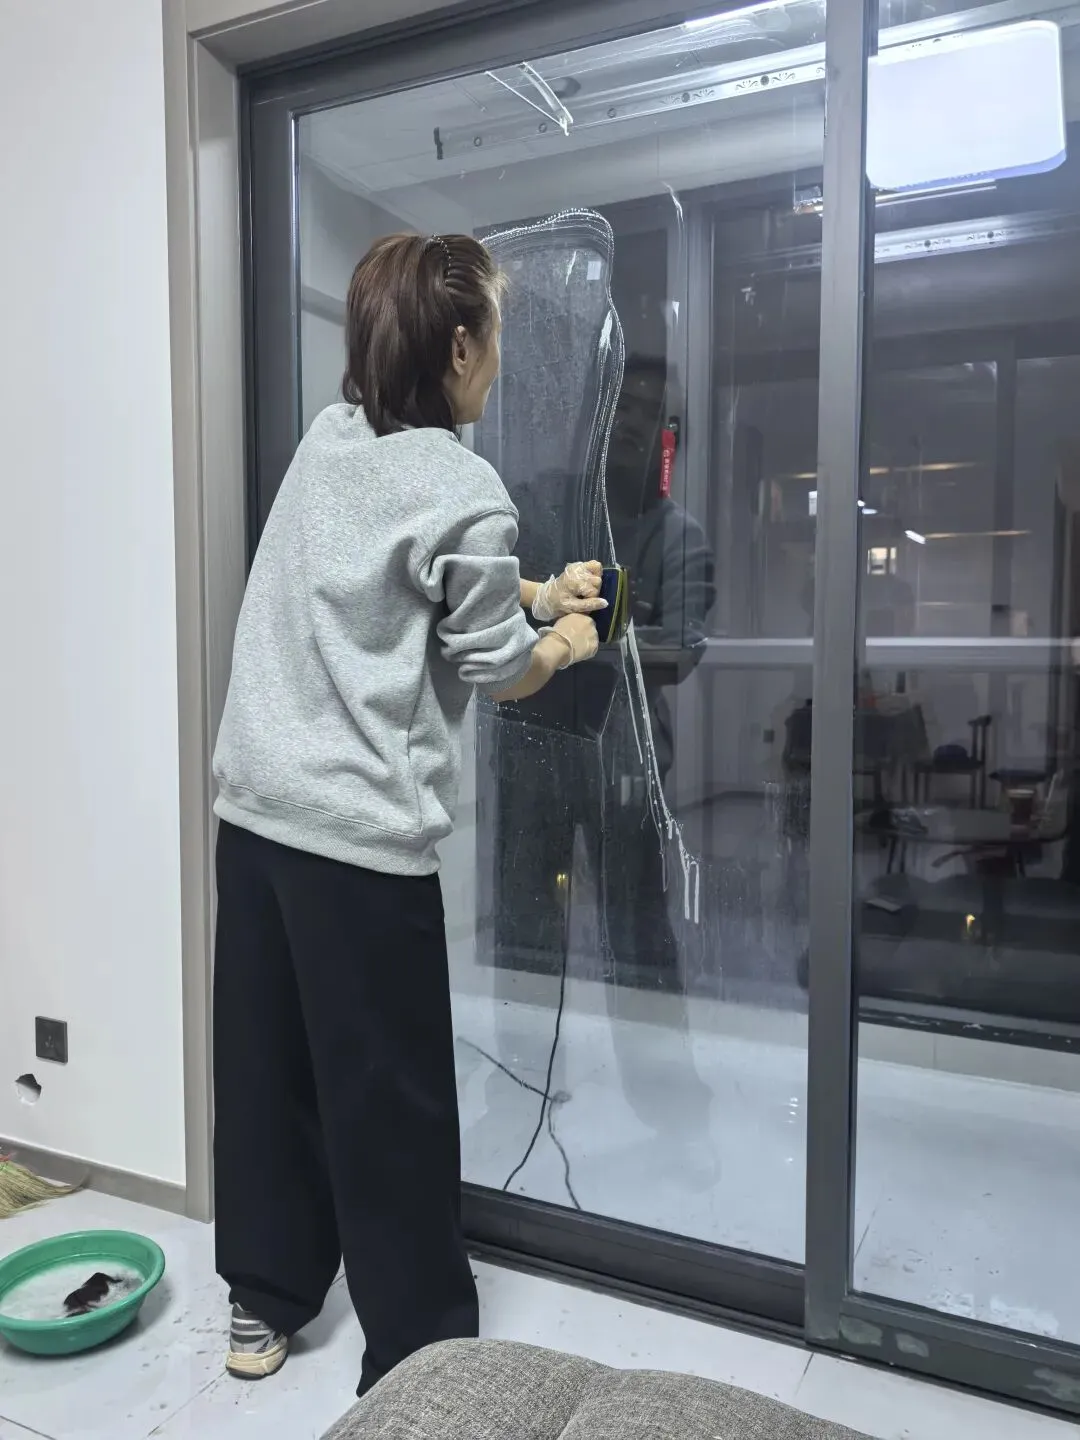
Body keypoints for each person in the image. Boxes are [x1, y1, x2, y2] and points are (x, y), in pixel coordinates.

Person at [210, 232, 604, 1396]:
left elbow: (394, 568)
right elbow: (497, 665)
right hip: (359, 848)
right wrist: (563, 640)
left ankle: (263, 1300)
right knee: (392, 1099)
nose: (500, 358)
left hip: (256, 820)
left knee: (269, 1071)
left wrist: (532, 586)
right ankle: (421, 1352)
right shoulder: (465, 487)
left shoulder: (329, 443)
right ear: (463, 347)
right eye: (498, 334)